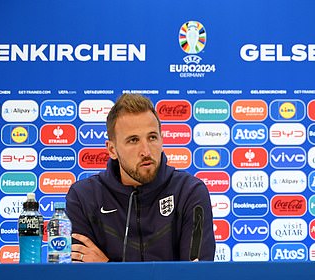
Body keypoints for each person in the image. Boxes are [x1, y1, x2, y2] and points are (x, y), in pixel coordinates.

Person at [66, 94, 215, 262]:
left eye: (152, 137)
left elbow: (195, 279)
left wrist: (107, 267)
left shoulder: (189, 192)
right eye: (133, 140)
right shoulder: (84, 197)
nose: (146, 151)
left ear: (161, 139)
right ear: (112, 149)